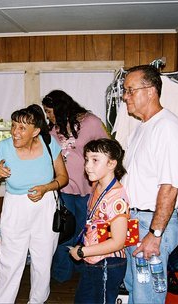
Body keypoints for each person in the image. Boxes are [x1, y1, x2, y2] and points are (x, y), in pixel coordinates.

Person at [0, 104, 69, 303]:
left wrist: (46, 188)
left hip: (45, 206)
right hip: (15, 208)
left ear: (36, 131)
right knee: (10, 263)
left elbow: (64, 177)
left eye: (22, 128)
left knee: (42, 262)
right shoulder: (3, 147)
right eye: (13, 126)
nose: (15, 132)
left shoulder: (49, 145)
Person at [121, 65, 178, 304]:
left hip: (151, 225)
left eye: (130, 90)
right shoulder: (142, 128)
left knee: (147, 297)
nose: (124, 96)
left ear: (151, 91)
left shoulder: (167, 128)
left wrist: (155, 234)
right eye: (124, 90)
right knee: (134, 288)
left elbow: (170, 187)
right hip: (136, 222)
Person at [42, 89, 109, 282]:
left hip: (87, 188)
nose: (48, 115)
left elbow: (107, 149)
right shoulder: (52, 129)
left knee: (83, 229)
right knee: (63, 231)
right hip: (62, 188)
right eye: (45, 112)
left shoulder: (90, 122)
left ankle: (82, 270)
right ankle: (62, 272)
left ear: (60, 108)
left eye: (49, 111)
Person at [69, 138, 129, 304]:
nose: (88, 165)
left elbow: (118, 242)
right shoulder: (96, 185)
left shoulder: (117, 198)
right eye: (87, 159)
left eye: (95, 160)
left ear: (111, 164)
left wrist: (82, 252)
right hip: (94, 259)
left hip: (108, 263)